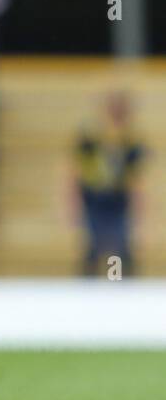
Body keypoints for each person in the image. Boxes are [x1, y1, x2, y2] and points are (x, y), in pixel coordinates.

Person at [71, 92, 145, 277]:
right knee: (93, 249)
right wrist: (73, 205)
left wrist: (141, 214)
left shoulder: (130, 146)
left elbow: (136, 184)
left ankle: (119, 286)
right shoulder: (89, 142)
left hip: (118, 204)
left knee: (119, 248)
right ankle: (88, 290)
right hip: (94, 202)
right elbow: (74, 175)